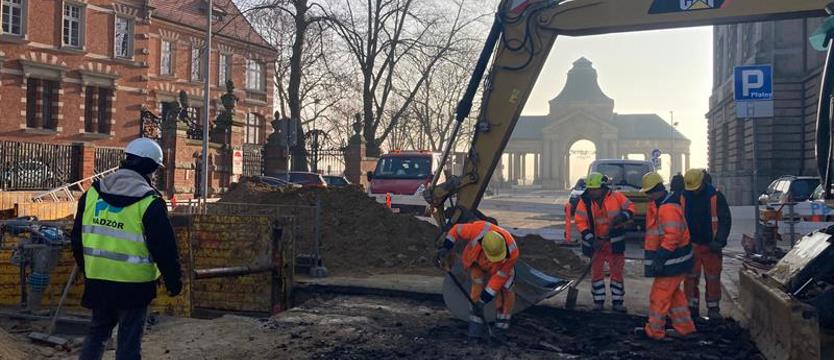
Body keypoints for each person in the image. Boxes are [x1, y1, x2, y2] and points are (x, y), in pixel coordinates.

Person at [72, 138, 182, 360]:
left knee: (96, 334)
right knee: (129, 342)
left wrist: (88, 270)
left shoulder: (92, 193)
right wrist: (173, 282)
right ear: (151, 168)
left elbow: (77, 239)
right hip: (134, 287)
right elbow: (165, 248)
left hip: (98, 281)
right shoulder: (149, 201)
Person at [436, 220, 519, 341]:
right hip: (476, 260)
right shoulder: (478, 230)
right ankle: (475, 329)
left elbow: (497, 280)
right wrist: (446, 247)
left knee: (506, 291)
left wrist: (483, 301)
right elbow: (456, 230)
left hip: (502, 268)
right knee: (476, 289)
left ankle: (500, 329)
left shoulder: (512, 252)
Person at [638, 172, 696, 340]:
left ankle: (654, 331)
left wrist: (660, 257)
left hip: (672, 261)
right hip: (674, 261)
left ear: (656, 190)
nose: (647, 196)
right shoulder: (661, 204)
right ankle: (685, 328)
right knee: (674, 296)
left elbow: (672, 236)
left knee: (659, 295)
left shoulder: (667, 208)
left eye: (648, 192)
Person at [574, 172, 635, 312]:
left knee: (617, 273)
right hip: (596, 245)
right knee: (597, 274)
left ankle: (618, 301)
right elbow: (580, 222)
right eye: (590, 189)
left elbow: (631, 208)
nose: (592, 192)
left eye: (595, 189)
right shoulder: (585, 202)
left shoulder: (616, 197)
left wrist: (623, 216)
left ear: (603, 187)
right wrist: (591, 239)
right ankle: (598, 301)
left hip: (615, 242)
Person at [682, 169, 731, 319]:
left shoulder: (716, 196)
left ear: (703, 182)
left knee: (713, 277)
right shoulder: (684, 196)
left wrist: (719, 241)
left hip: (711, 246)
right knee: (690, 278)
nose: (694, 192)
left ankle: (713, 308)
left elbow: (725, 220)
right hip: (692, 245)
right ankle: (691, 307)